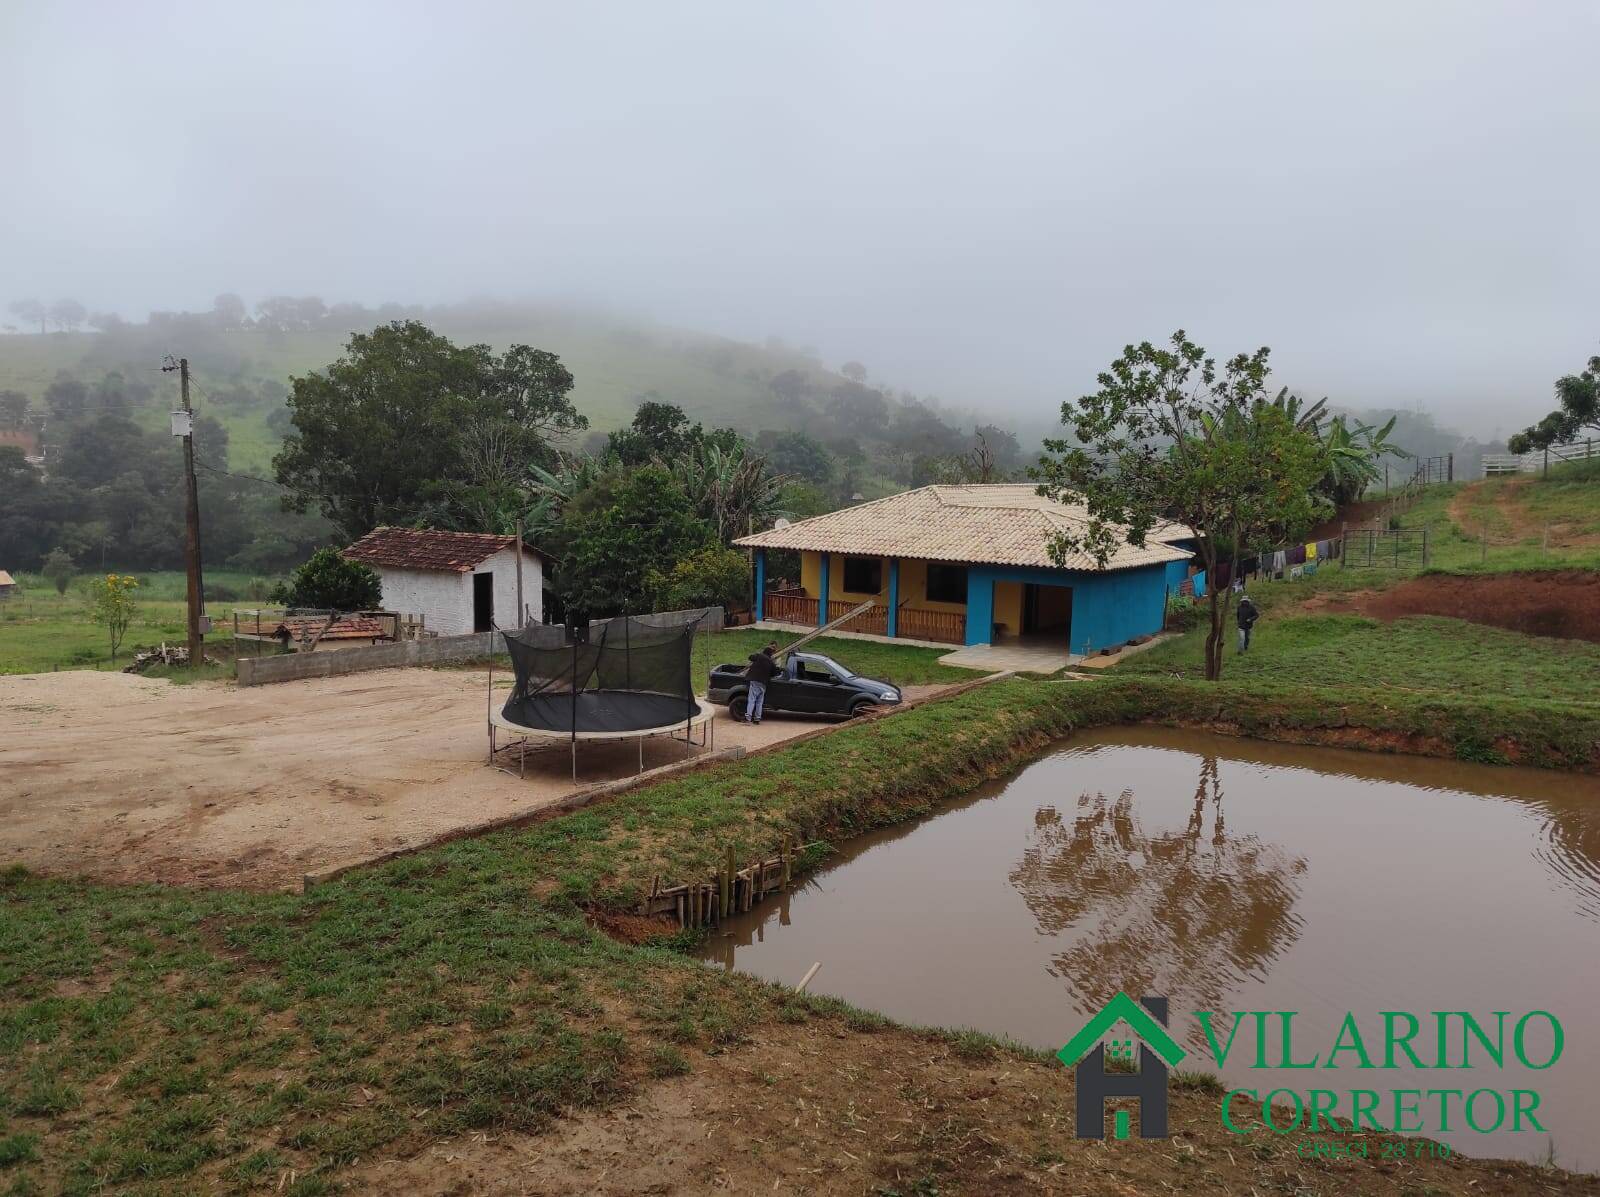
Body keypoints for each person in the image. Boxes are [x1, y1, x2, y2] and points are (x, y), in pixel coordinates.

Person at [743, 643, 780, 724]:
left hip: (755, 681)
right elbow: (774, 673)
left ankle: (748, 718)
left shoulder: (759, 656)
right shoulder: (771, 662)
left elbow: (750, 657)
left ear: (764, 651)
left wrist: (758, 654)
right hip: (764, 684)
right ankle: (757, 719)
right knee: (759, 702)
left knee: (752, 700)